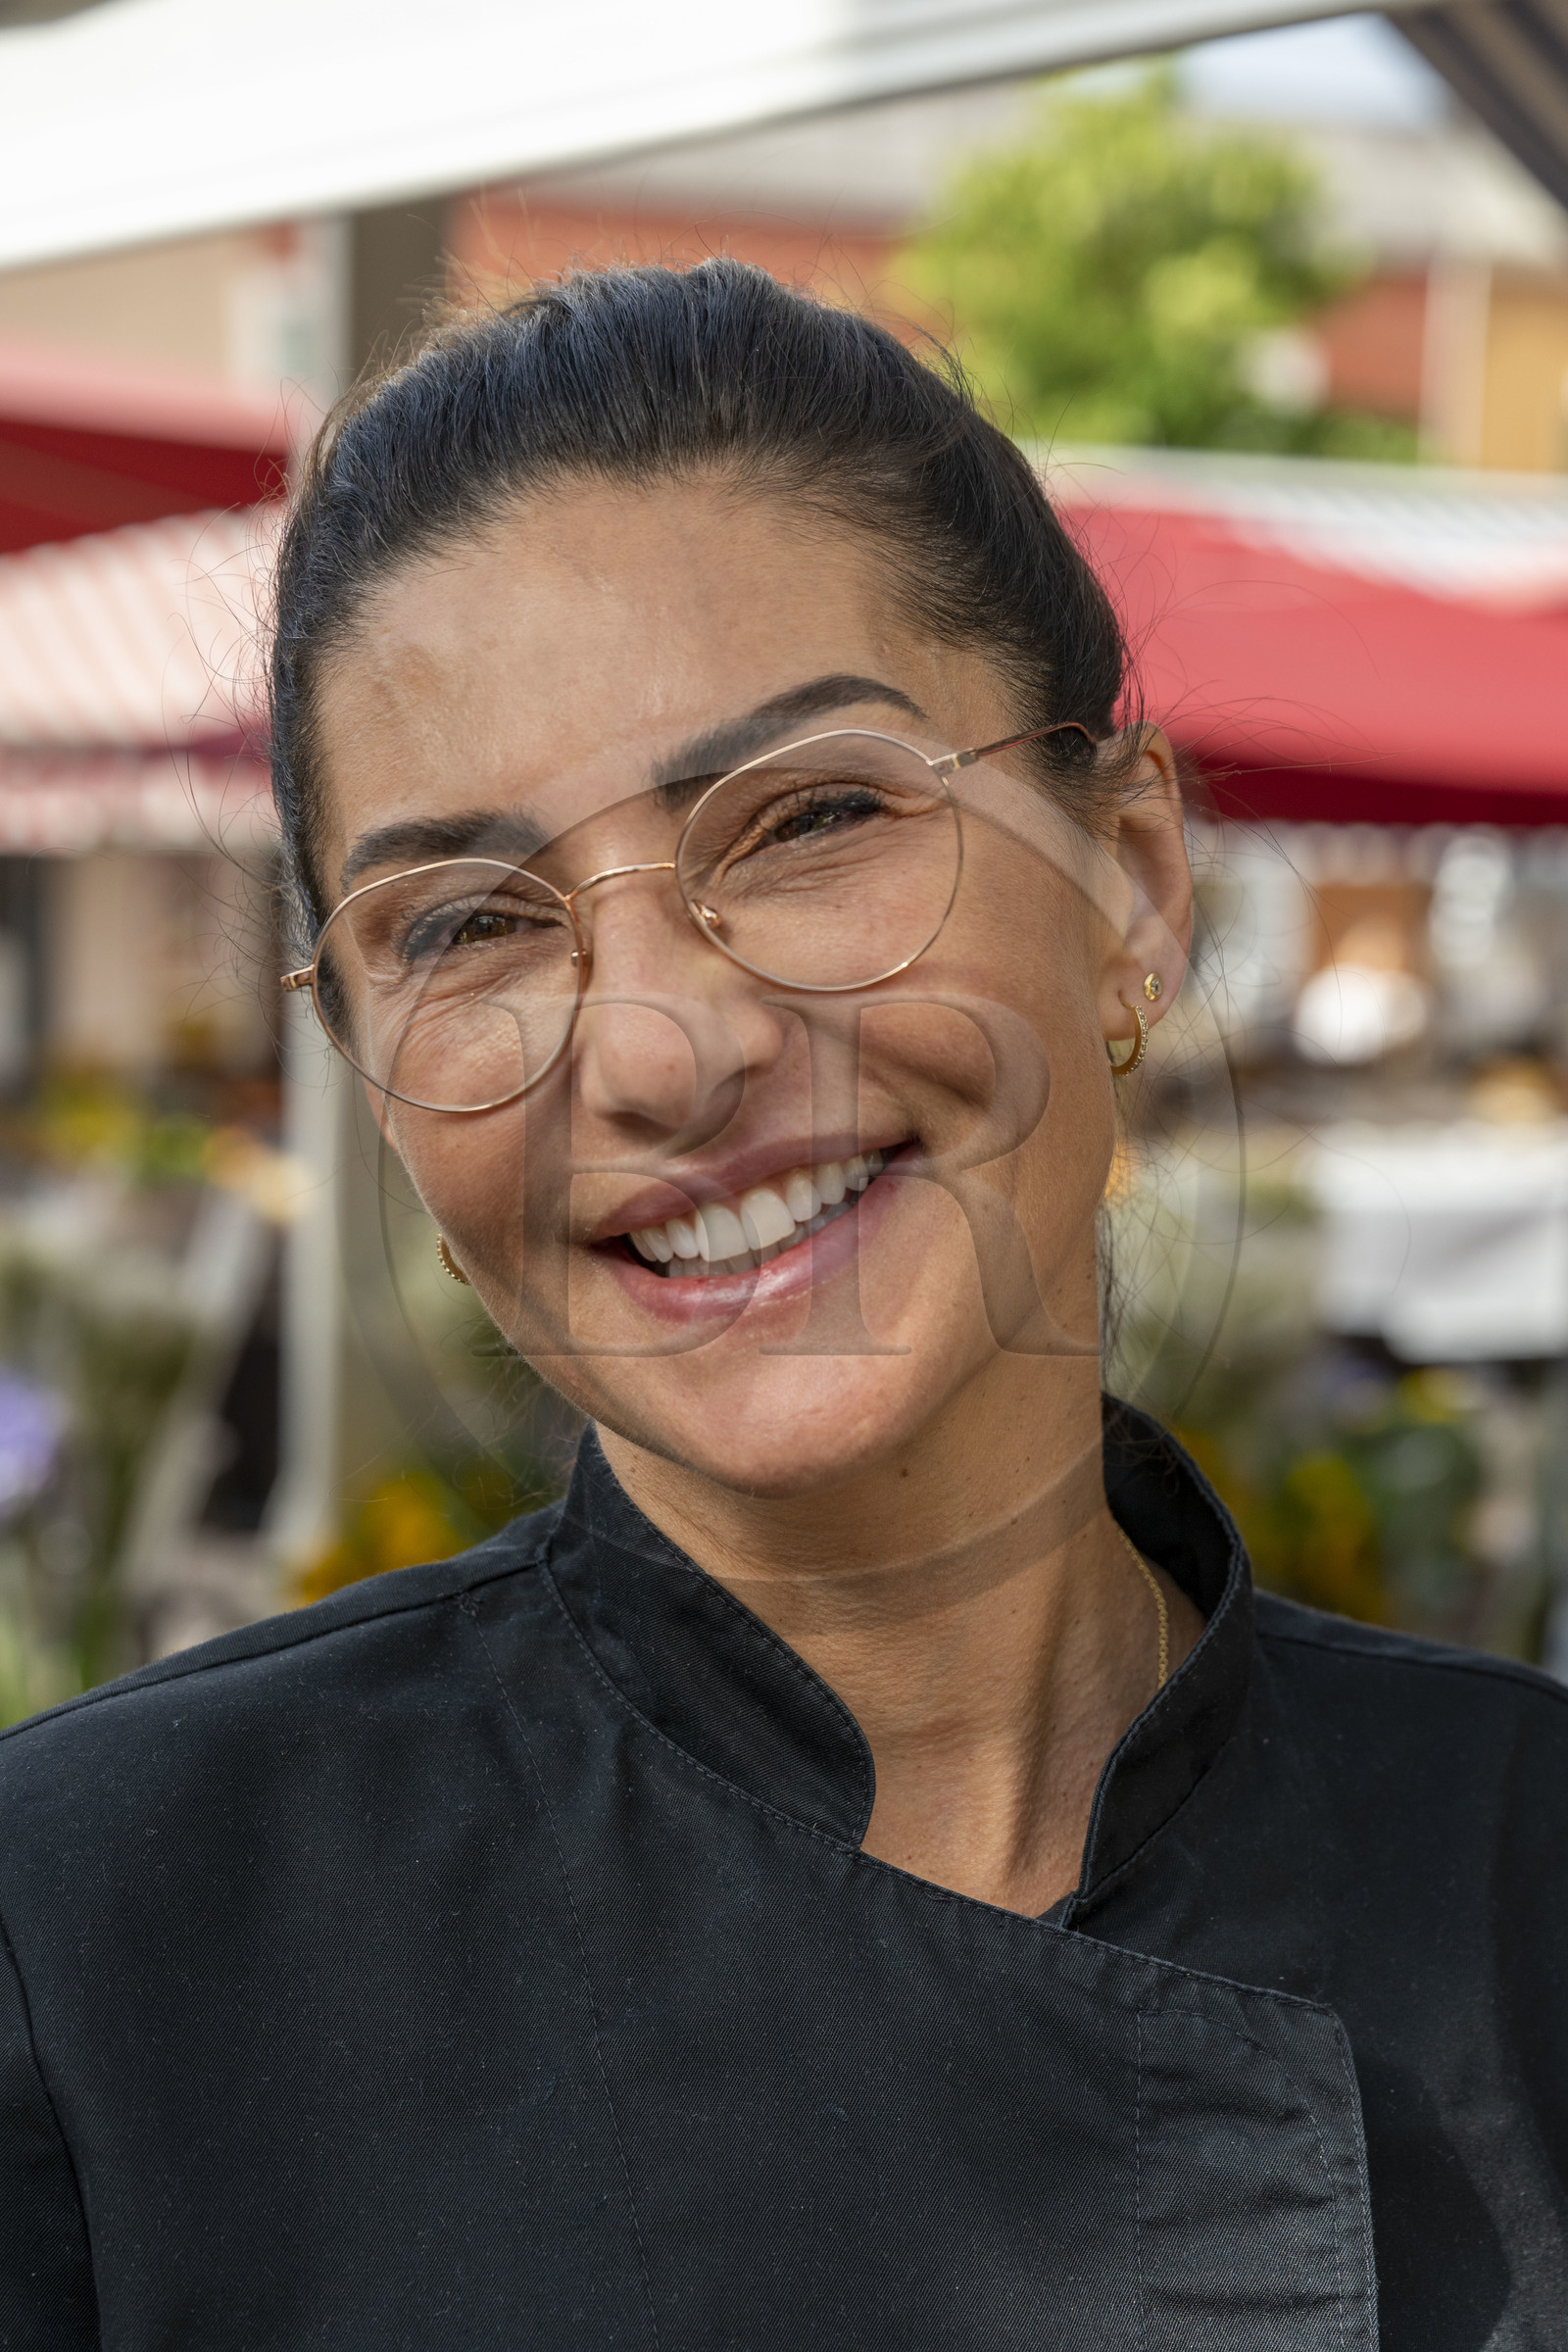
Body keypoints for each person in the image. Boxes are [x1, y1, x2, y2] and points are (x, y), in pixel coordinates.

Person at [1, 263, 1563, 2351]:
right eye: (465, 922)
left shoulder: (1522, 1884)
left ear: (1126, 886)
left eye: (812, 816)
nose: (658, 1049)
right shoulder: (94, 1954)